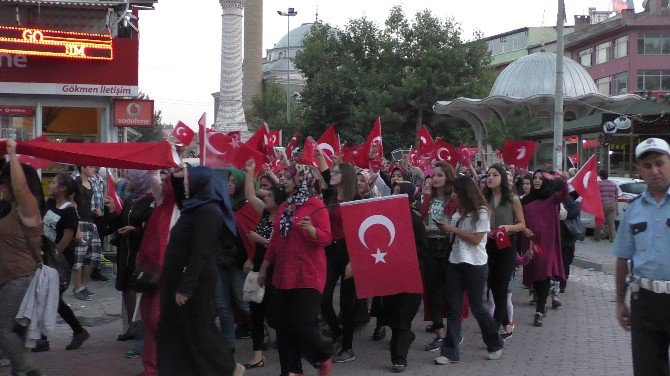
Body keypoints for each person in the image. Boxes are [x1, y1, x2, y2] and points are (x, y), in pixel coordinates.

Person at [157, 165, 243, 376]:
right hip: (180, 278)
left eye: (189, 180)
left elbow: (201, 253)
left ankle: (228, 368)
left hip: (194, 281)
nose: (187, 183)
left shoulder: (209, 212)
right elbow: (182, 202)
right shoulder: (195, 208)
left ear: (201, 183)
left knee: (199, 328)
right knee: (179, 329)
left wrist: (185, 288)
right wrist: (176, 179)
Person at [258, 164, 334, 376]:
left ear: (301, 180)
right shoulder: (284, 206)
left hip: (307, 275)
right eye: (282, 176)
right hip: (283, 275)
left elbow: (327, 237)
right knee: (283, 327)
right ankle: (291, 371)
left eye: (287, 177)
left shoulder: (316, 205)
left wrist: (311, 230)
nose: (283, 180)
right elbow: (275, 241)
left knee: (302, 323)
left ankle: (322, 356)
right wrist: (264, 267)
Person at [614, 138, 670, 375]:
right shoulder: (633, 209)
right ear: (640, 170)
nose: (654, 170)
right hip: (644, 302)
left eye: (659, 163)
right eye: (647, 166)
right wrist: (619, 301)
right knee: (647, 369)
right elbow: (622, 259)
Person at [433, 176, 503, 364]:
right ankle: (449, 352)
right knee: (453, 308)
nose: (453, 194)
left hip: (475, 265)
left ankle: (495, 343)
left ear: (465, 192)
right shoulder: (459, 210)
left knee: (477, 306)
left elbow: (476, 239)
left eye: (456, 191)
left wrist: (452, 230)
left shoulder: (481, 212)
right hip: (455, 262)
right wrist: (446, 230)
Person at [0, 138, 44, 376]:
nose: (2, 188)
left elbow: (20, 187)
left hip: (20, 279)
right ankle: (21, 371)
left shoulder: (29, 208)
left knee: (3, 330)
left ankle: (27, 370)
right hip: (12, 279)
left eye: (4, 183)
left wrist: (12, 155)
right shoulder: (13, 210)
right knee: (15, 333)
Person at [242, 159, 287, 369]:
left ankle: (290, 350)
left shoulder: (285, 218)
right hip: (258, 268)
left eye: (269, 195)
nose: (264, 195)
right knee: (255, 312)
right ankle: (257, 355)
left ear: (278, 200)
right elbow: (250, 195)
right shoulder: (265, 214)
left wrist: (261, 240)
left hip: (276, 271)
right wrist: (250, 171)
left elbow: (281, 247)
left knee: (276, 313)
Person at [378, 181, 426, 372]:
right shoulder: (385, 218)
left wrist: (405, 254)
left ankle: (399, 357)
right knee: (390, 315)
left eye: (399, 192)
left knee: (402, 318)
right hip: (390, 275)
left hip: (410, 276)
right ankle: (406, 337)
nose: (394, 194)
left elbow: (423, 249)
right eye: (393, 191)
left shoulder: (414, 220)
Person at [135, 170, 179, 376]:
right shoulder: (163, 203)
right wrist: (166, 156)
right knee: (150, 315)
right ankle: (151, 367)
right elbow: (153, 178)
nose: (164, 181)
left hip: (174, 273)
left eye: (169, 179)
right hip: (155, 271)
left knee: (157, 317)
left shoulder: (191, 210)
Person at [40, 173, 90, 351]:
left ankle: (77, 331)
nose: (51, 185)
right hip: (45, 257)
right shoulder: (51, 203)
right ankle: (43, 339)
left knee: (51, 297)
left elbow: (67, 237)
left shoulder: (70, 210)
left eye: (54, 183)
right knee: (46, 296)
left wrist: (53, 256)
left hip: (59, 262)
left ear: (62, 188)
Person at [319, 162, 363, 363]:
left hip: (349, 253)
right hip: (330, 251)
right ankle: (337, 334)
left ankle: (348, 348)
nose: (332, 174)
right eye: (332, 171)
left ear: (345, 176)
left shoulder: (357, 200)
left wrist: (353, 261)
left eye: (336, 172)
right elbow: (324, 173)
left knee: (347, 303)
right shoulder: (329, 196)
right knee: (323, 297)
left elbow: (360, 233)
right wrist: (320, 158)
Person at [483, 164, 525, 338]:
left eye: (494, 175)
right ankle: (507, 324)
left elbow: (522, 224)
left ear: (502, 177)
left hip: (507, 245)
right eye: (488, 175)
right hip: (489, 245)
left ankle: (493, 330)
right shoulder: (484, 198)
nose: (490, 178)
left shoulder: (513, 198)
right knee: (493, 286)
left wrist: (508, 227)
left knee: (501, 287)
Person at [521, 171, 567, 327]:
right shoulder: (525, 200)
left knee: (545, 275)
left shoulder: (552, 198)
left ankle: (539, 311)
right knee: (536, 277)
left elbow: (565, 194)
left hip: (546, 246)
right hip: (531, 244)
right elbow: (520, 221)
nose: (537, 181)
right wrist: (523, 229)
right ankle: (540, 303)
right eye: (535, 178)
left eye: (541, 178)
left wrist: (561, 180)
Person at [423, 161, 457, 351]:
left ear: (448, 178)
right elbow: (423, 220)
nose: (434, 179)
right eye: (433, 175)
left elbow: (452, 228)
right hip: (430, 247)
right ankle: (439, 333)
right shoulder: (428, 199)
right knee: (432, 292)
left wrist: (429, 229)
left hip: (447, 247)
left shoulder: (454, 200)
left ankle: (453, 332)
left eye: (439, 175)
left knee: (449, 292)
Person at [72, 165, 104, 301]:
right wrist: (76, 228)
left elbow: (85, 204)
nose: (93, 169)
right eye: (90, 167)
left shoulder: (91, 182)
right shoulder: (76, 182)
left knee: (95, 254)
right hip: (80, 222)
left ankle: (82, 286)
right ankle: (78, 287)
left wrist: (94, 211)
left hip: (90, 221)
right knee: (79, 256)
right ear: (83, 168)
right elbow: (72, 204)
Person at [594, 169, 618, 242]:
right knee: (611, 222)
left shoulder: (598, 184)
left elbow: (595, 194)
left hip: (602, 205)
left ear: (601, 176)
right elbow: (616, 197)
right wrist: (616, 209)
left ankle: (597, 238)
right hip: (612, 205)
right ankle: (612, 238)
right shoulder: (613, 184)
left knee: (599, 221)